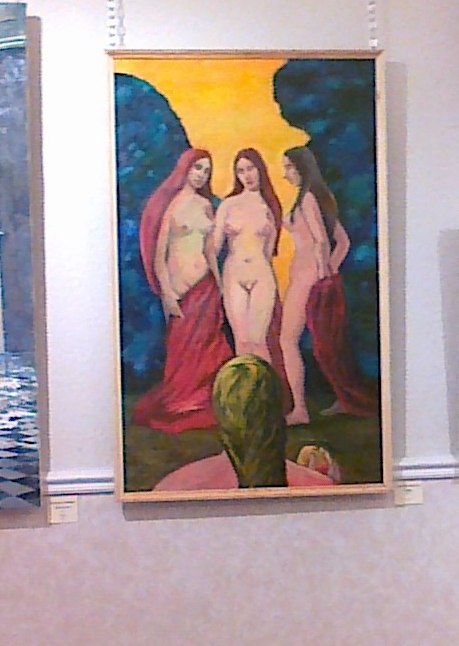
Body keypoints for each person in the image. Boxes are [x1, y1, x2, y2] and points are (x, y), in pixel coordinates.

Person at [132, 148, 235, 433]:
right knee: (183, 350)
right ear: (185, 168)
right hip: (181, 289)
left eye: (206, 170)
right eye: (197, 168)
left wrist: (221, 285)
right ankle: (183, 401)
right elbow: (159, 257)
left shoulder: (206, 206)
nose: (201, 175)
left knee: (209, 347)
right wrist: (167, 294)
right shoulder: (171, 205)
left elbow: (209, 251)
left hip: (206, 286)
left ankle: (204, 400)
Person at [278, 145, 375, 423]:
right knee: (328, 343)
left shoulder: (307, 198)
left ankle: (299, 409)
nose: (285, 174)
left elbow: (321, 239)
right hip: (312, 276)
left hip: (306, 278)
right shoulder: (318, 198)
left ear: (301, 167)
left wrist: (322, 272)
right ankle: (344, 398)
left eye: (289, 167)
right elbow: (342, 241)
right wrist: (330, 268)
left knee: (287, 340)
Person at [153, 355, 335, 492]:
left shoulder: (172, 488)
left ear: (219, 412)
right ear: (278, 410)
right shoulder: (319, 487)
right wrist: (322, 474)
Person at [207, 148, 285, 372]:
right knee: (242, 341)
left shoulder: (270, 207)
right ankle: (245, 392)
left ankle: (266, 391)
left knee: (259, 342)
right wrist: (216, 280)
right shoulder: (229, 205)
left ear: (260, 169)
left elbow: (269, 252)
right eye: (241, 171)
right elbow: (214, 247)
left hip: (261, 275)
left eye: (250, 168)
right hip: (234, 275)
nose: (247, 175)